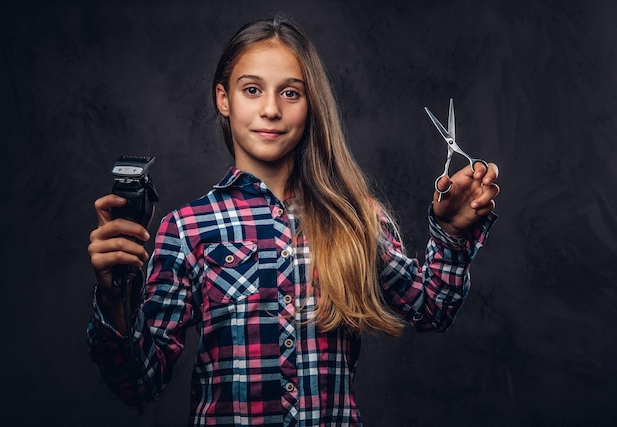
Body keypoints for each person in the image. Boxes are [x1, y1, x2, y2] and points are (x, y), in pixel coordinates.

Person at [87, 14, 500, 427]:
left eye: (290, 93)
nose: (270, 109)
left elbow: (432, 309)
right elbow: (139, 383)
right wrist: (113, 297)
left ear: (311, 104)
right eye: (252, 90)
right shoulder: (188, 229)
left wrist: (451, 233)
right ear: (223, 99)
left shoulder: (354, 219)